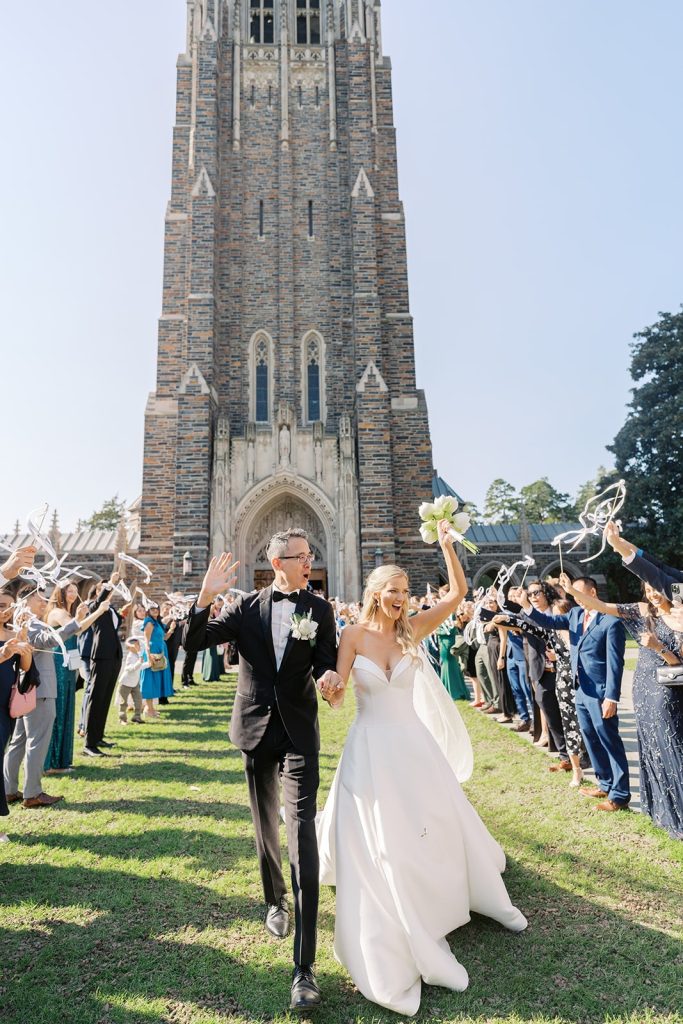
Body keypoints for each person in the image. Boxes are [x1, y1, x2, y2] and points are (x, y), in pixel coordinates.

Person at [317, 521, 527, 1017]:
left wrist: (449, 546)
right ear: (374, 593)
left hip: (414, 745)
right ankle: (403, 912)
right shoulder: (350, 635)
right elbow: (339, 695)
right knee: (387, 840)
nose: (401, 599)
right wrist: (329, 684)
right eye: (394, 591)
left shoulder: (414, 629)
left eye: (406, 592)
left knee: (436, 823)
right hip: (370, 748)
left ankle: (459, 894)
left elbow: (457, 593)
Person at [183, 529, 341, 1012]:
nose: (310, 560)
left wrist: (330, 677)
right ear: (279, 561)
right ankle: (275, 900)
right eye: (303, 556)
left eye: (311, 555)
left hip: (298, 734)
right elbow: (192, 642)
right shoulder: (245, 608)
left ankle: (304, 968)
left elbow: (325, 661)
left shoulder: (319, 609)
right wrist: (205, 597)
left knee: (302, 834)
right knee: (264, 824)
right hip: (253, 730)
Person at [560, 572, 683, 838]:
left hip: (666, 689)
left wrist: (659, 647)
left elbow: (680, 663)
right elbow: (603, 607)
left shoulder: (680, 616)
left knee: (668, 744)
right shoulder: (641, 611)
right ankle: (659, 810)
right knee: (649, 747)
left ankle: (678, 811)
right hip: (641, 688)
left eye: (656, 588)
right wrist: (572, 591)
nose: (652, 593)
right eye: (648, 589)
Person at [512, 577, 629, 811]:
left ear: (593, 592)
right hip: (580, 690)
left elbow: (616, 664)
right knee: (590, 738)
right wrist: (526, 606)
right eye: (574, 596)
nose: (577, 600)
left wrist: (612, 697)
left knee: (609, 740)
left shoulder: (610, 622)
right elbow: (546, 620)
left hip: (600, 692)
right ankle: (604, 783)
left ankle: (619, 795)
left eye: (580, 594)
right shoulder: (575, 615)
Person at [5, 588, 108, 805]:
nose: (44, 602)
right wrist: (75, 621)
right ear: (25, 600)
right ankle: (32, 793)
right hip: (39, 689)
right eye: (39, 598)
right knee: (37, 741)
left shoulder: (23, 621)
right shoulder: (28, 622)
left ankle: (9, 790)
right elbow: (48, 640)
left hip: (29, 689)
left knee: (19, 741)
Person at [83, 572, 128, 757]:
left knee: (105, 697)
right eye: (103, 590)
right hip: (100, 656)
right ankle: (89, 744)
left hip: (114, 655)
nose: (108, 592)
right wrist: (111, 582)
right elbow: (99, 601)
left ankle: (98, 736)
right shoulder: (94, 606)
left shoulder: (111, 609)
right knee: (96, 697)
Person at [0, 592, 33, 840]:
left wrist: (23, 644)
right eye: (2, 606)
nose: (7, 611)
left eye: (11, 607)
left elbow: (25, 668)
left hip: (4, 708)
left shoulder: (12, 634)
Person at [44, 582, 82, 774]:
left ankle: (62, 760)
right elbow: (76, 628)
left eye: (75, 591)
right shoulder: (58, 612)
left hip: (69, 665)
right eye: (70, 590)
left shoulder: (69, 612)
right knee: (58, 710)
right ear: (61, 593)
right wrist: (98, 610)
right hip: (58, 663)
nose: (74, 594)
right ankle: (50, 763)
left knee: (67, 708)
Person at [139, 604, 174, 718]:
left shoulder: (157, 622)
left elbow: (164, 637)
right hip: (153, 653)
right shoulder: (149, 622)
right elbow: (146, 640)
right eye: (152, 609)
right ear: (148, 611)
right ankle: (148, 710)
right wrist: (148, 656)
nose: (155, 611)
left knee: (156, 680)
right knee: (150, 680)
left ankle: (151, 708)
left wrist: (172, 629)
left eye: (156, 609)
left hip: (161, 651)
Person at [436, 612, 470, 700]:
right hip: (443, 643)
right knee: (445, 664)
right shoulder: (440, 617)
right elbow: (437, 630)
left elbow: (453, 629)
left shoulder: (452, 617)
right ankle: (447, 689)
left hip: (450, 642)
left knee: (452, 665)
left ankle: (455, 691)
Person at [117, 637, 145, 725]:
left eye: (138, 645)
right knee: (123, 702)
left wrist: (150, 664)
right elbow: (130, 668)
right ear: (130, 648)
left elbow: (140, 666)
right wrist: (139, 662)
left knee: (138, 700)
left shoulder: (138, 655)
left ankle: (137, 717)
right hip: (125, 682)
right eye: (136, 645)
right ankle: (122, 719)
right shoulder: (130, 656)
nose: (138, 647)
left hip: (135, 682)